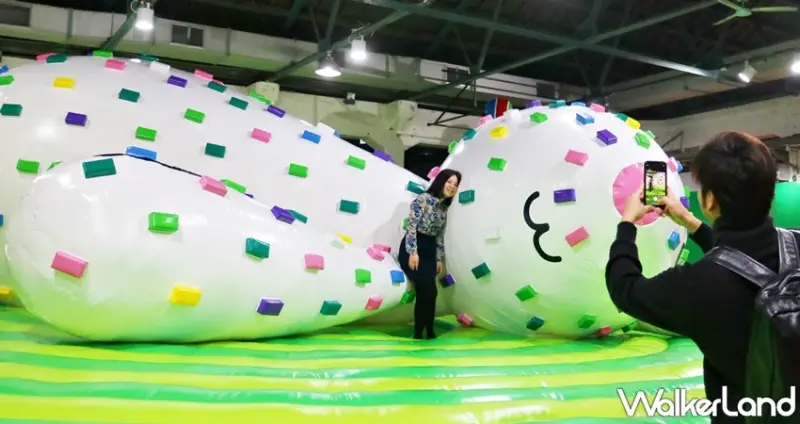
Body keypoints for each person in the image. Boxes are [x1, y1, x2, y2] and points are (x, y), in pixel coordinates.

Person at [605, 132, 800, 423]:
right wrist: (691, 223)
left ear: (709, 200)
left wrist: (626, 224)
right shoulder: (795, 244)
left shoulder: (695, 285)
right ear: (771, 194)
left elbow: (625, 288)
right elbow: (743, 263)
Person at [399, 168, 461, 340]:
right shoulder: (424, 199)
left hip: (430, 250)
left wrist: (439, 258)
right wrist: (413, 252)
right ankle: (419, 332)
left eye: (455, 185)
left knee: (431, 292)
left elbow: (439, 235)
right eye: (449, 182)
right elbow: (411, 227)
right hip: (414, 247)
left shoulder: (444, 207)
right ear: (441, 181)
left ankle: (429, 329)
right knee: (425, 290)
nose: (451, 187)